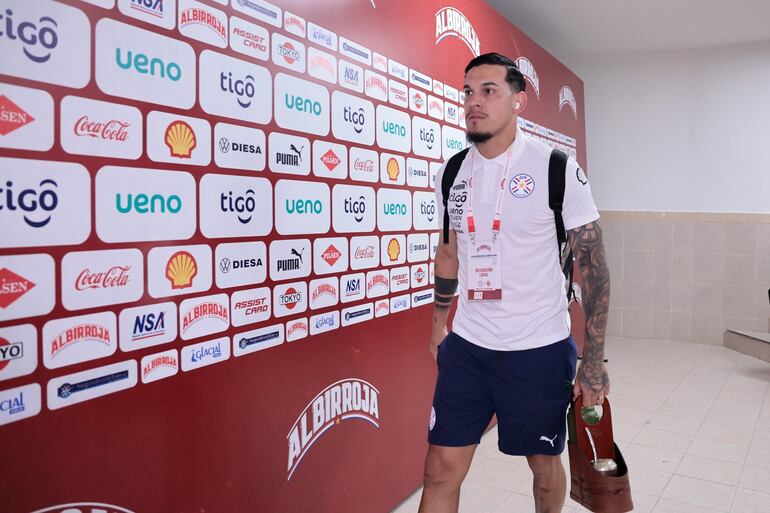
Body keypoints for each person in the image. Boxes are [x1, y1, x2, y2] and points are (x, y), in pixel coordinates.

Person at [419, 53, 611, 513]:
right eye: (468, 91)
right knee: (440, 467)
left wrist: (594, 362)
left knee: (544, 469)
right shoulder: (451, 173)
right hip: (469, 346)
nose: (473, 102)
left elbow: (596, 273)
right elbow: (449, 253)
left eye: (489, 91)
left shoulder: (556, 169)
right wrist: (438, 324)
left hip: (538, 348)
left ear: (519, 100)